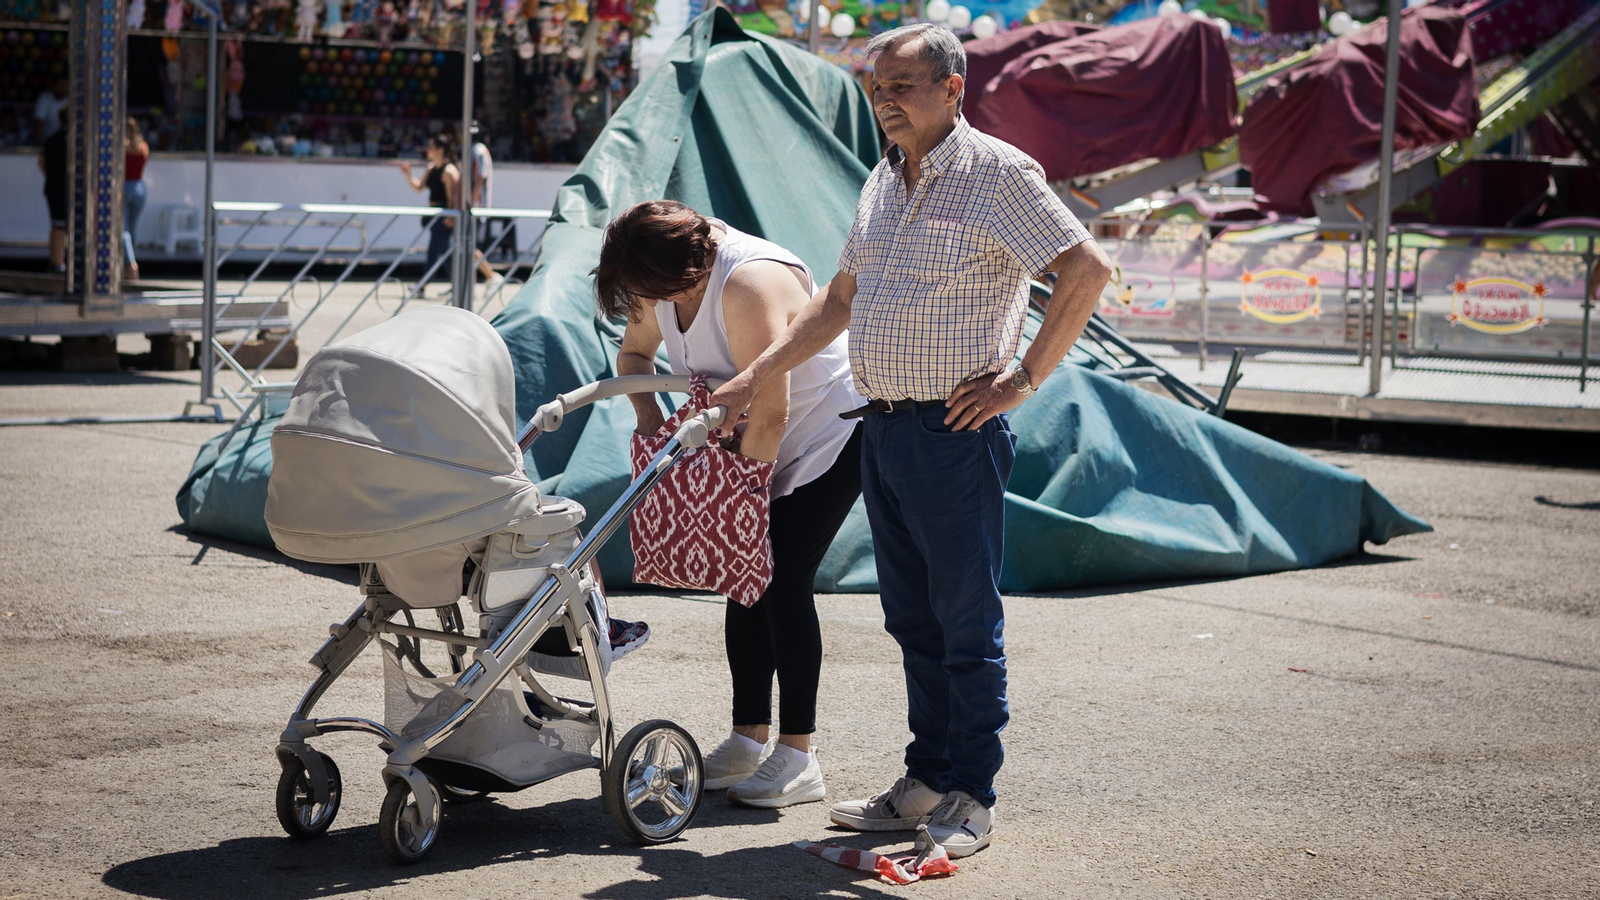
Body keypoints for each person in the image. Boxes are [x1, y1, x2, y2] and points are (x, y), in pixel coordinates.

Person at [709, 24, 1113, 856]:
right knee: (913, 622)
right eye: (876, 87)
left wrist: (1022, 382)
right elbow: (837, 302)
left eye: (901, 85)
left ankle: (970, 797)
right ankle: (926, 780)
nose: (884, 101)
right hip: (884, 429)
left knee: (964, 623)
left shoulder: (998, 173)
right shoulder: (883, 178)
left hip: (952, 430)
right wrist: (756, 375)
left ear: (954, 87)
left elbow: (1086, 270)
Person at [593, 200, 865, 808]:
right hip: (741, 438)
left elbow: (772, 410)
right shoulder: (654, 275)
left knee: (780, 576)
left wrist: (734, 494)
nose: (646, 306)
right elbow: (634, 358)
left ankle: (799, 755)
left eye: (651, 295)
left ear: (689, 275)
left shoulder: (747, 284)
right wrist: (654, 429)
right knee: (743, 580)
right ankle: (748, 739)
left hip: (827, 434)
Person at [396, 133, 460, 287]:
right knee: (445, 253)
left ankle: (423, 285)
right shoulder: (432, 168)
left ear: (440, 150)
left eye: (431, 147)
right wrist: (408, 175)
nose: (427, 150)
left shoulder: (449, 171)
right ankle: (457, 285)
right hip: (434, 215)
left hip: (444, 216)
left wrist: (450, 217)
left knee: (434, 251)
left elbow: (452, 198)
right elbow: (419, 187)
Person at [124, 117, 150, 282]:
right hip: (140, 188)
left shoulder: (122, 148)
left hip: (125, 187)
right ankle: (130, 258)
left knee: (124, 229)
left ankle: (129, 263)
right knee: (133, 228)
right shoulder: (143, 147)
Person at [40, 125, 68, 274]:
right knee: (60, 227)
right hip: (64, 189)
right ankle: (58, 262)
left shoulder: (51, 140)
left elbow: (41, 162)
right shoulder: (73, 141)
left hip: (53, 187)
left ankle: (56, 261)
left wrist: (50, 176)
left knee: (57, 226)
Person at [33, 77, 67, 144]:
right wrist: (38, 143)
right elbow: (38, 123)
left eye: (64, 86)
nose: (62, 88)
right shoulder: (45, 98)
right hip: (46, 141)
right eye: (60, 85)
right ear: (54, 85)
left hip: (63, 142)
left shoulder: (70, 100)